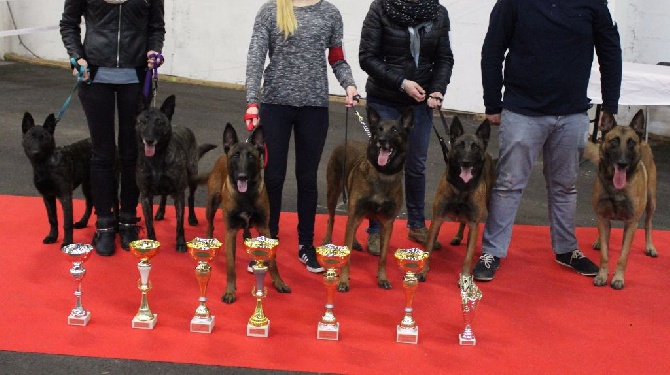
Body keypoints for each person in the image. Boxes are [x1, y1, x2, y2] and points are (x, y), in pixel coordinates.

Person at [474, 0, 622, 281]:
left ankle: (566, 250)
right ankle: (492, 251)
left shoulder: (593, 4)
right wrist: (492, 103)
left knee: (565, 187)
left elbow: (610, 52)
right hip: (521, 111)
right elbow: (492, 50)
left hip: (572, 114)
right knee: (508, 184)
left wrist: (610, 105)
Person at [245, 0, 359, 273]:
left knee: (307, 179)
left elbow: (337, 57)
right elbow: (256, 57)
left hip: (314, 107)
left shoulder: (330, 13)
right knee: (272, 177)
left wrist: (349, 83)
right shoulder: (271, 10)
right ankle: (266, 241)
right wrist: (252, 101)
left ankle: (306, 245)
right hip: (275, 105)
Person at [60, 0, 166, 256]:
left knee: (132, 153)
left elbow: (156, 26)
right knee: (102, 153)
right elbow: (69, 23)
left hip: (136, 78)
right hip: (94, 77)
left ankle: (129, 219)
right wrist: (76, 55)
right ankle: (105, 223)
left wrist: (154, 51)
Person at [359, 0, 454, 254]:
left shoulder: (438, 13)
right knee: (382, 163)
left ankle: (416, 225)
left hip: (420, 102)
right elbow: (367, 58)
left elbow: (444, 58)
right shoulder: (380, 8)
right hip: (385, 99)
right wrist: (402, 83)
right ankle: (376, 230)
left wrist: (437, 89)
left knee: (416, 165)